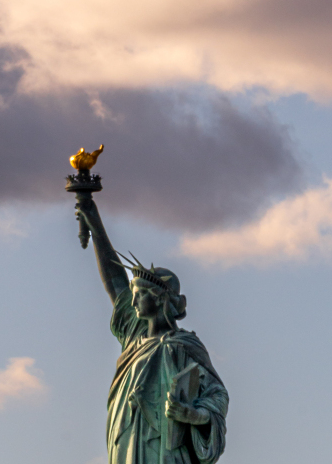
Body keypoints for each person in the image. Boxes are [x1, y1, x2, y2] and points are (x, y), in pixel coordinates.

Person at [77, 199, 229, 464]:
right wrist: (94, 223)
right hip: (127, 442)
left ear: (159, 299)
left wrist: (193, 415)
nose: (132, 302)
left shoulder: (182, 346)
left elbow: (217, 395)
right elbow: (115, 282)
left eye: (139, 296)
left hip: (167, 448)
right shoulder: (135, 337)